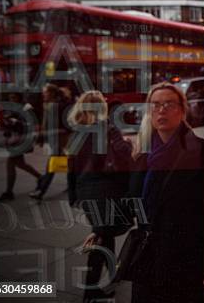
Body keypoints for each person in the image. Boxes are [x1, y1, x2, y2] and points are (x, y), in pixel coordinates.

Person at [129, 82, 204, 302]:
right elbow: (129, 201)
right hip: (147, 257)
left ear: (182, 110)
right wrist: (102, 229)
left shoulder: (200, 150)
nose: (161, 110)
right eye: (155, 105)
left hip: (184, 256)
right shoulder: (142, 153)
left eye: (169, 104)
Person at [66, 90, 133, 303]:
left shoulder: (76, 133)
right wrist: (129, 144)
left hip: (86, 191)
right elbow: (124, 156)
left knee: (105, 234)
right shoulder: (108, 129)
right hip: (107, 190)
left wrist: (74, 194)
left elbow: (71, 168)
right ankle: (91, 290)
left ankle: (111, 278)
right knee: (102, 237)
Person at [30, 83, 73, 201]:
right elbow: (46, 124)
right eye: (43, 92)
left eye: (46, 92)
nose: (43, 94)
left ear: (52, 93)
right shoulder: (48, 105)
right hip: (56, 141)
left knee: (51, 166)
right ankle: (73, 185)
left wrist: (58, 130)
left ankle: (41, 191)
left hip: (62, 140)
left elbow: (68, 124)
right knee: (67, 165)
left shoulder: (60, 106)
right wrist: (42, 137)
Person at [0, 92, 41, 202]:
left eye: (14, 97)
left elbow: (31, 123)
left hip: (21, 140)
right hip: (13, 140)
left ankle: (9, 192)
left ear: (19, 98)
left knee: (11, 164)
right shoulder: (10, 109)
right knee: (20, 164)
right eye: (10, 97)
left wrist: (17, 122)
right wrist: (5, 124)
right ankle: (41, 178)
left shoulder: (25, 108)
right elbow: (5, 126)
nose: (12, 99)